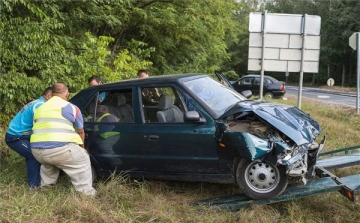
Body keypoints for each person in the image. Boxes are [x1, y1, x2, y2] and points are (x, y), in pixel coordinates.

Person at [30, 82, 96, 196]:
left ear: (52, 93)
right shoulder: (71, 107)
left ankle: (46, 190)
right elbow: (80, 131)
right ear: (67, 94)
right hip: (58, 150)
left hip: (37, 151)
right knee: (83, 159)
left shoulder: (40, 108)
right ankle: (86, 194)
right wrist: (82, 148)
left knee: (48, 163)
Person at [5, 87, 52, 188]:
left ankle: (37, 182)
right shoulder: (40, 105)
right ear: (48, 96)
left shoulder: (36, 102)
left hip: (21, 136)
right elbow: (40, 124)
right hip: (16, 137)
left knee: (34, 154)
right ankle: (33, 186)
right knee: (33, 156)